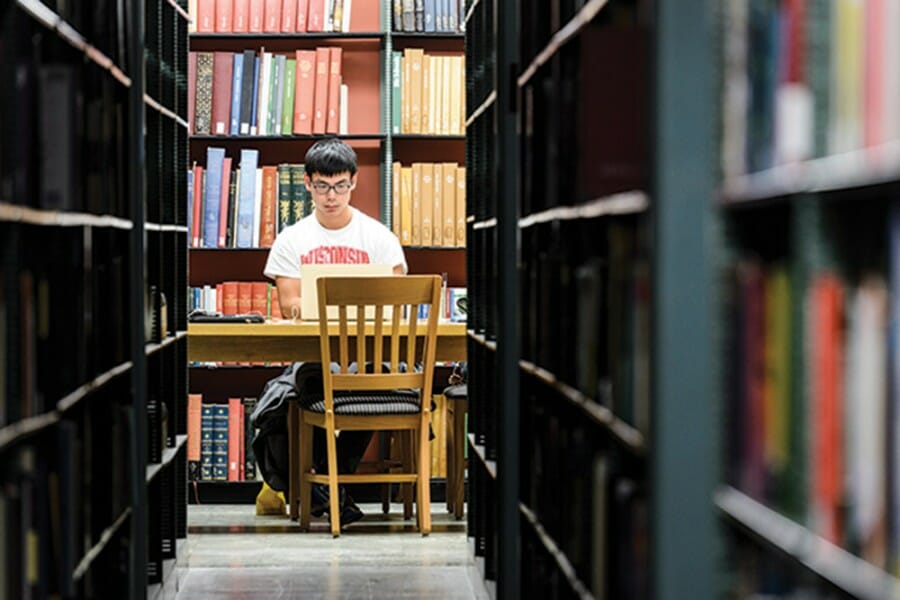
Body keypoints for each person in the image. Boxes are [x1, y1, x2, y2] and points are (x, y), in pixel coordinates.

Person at [260, 136, 408, 527]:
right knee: (302, 386)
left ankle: (322, 483)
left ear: (354, 182)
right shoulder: (292, 240)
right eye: (323, 186)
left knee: (381, 381)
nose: (331, 196)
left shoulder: (379, 238)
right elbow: (289, 305)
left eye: (340, 185)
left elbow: (394, 303)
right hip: (317, 360)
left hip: (370, 362)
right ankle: (328, 488)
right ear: (307, 183)